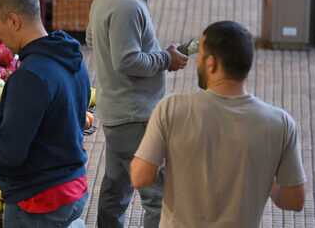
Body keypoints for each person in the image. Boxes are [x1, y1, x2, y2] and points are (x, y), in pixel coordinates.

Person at [130, 21, 306, 227]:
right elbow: (295, 200)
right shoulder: (281, 123)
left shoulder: (172, 109)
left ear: (211, 63)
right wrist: (266, 182)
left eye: (200, 55)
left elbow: (140, 177)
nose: (197, 62)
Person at [0, 0, 91, 228]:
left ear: (14, 21)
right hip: (74, 186)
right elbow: (60, 117)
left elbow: (11, 154)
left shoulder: (30, 76)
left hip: (39, 200)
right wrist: (4, 123)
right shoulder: (72, 57)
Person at [85, 0, 188, 228]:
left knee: (117, 188)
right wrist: (166, 59)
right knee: (158, 194)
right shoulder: (126, 3)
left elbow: (93, 39)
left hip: (119, 112)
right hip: (135, 117)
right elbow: (127, 59)